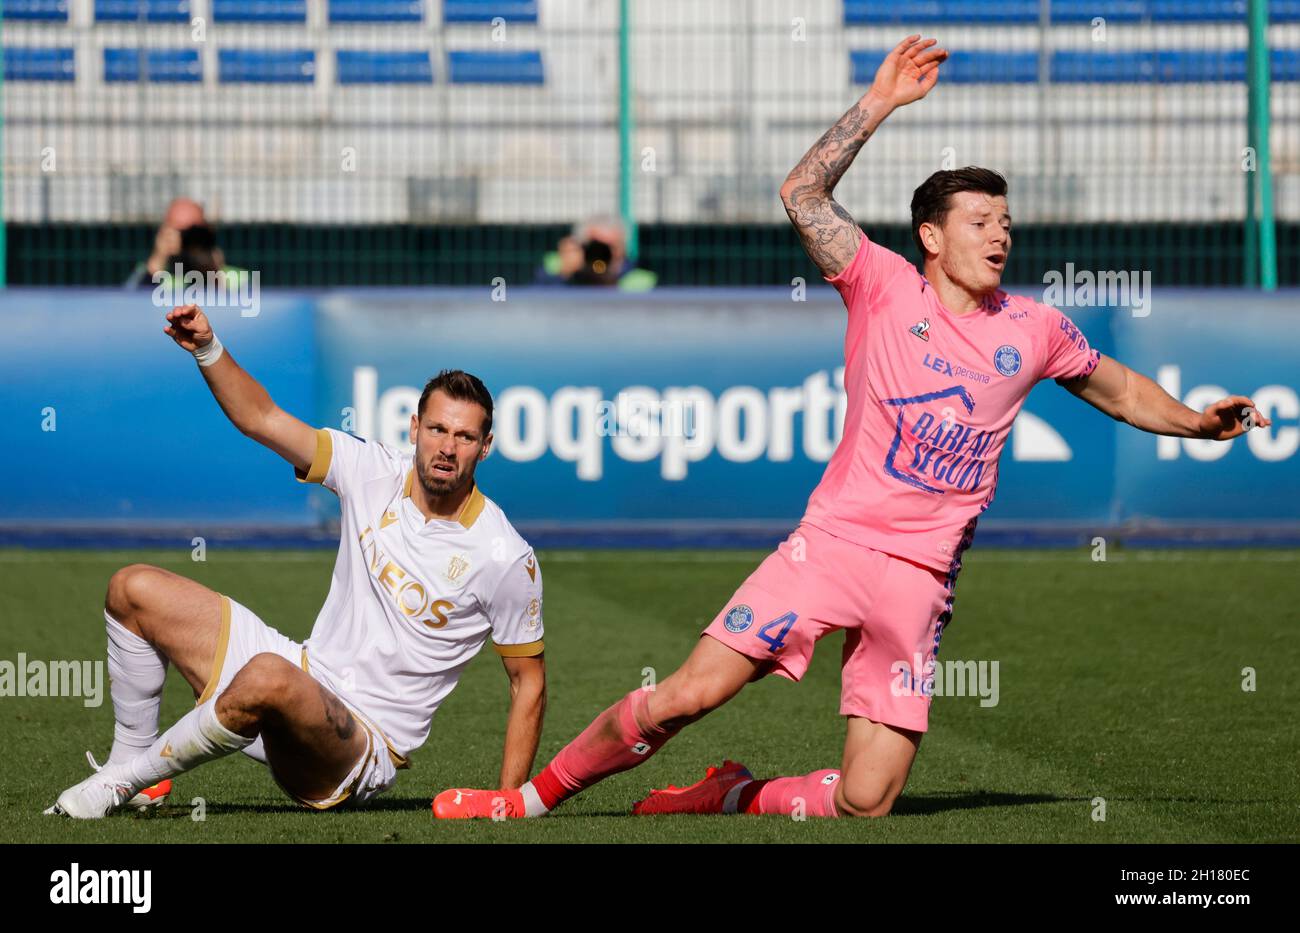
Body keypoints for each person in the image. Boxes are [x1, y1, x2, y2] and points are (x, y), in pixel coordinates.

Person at [431, 36, 1271, 821]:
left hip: (920, 577)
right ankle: (530, 799)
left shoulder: (1035, 327)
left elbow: (1120, 390)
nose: (1000, 235)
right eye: (981, 221)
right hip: (831, 545)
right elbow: (800, 194)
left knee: (868, 801)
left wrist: (1198, 421)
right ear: (932, 237)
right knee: (685, 694)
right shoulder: (881, 284)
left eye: (1006, 222)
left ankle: (728, 794)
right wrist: (878, 102)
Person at [46, 305, 546, 818]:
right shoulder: (370, 470)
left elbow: (527, 683)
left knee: (268, 673)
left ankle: (123, 783)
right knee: (133, 587)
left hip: (357, 748)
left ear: (485, 447)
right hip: (301, 675)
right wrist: (206, 347)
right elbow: (260, 418)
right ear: (415, 427)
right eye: (438, 429)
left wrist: (507, 801)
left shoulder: (504, 555)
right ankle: (128, 761)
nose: (447, 447)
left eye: (465, 437)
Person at [536, 215, 657, 290]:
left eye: (609, 248)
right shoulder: (556, 270)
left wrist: (608, 281)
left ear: (622, 248)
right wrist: (563, 275)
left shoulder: (641, 281)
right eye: (595, 247)